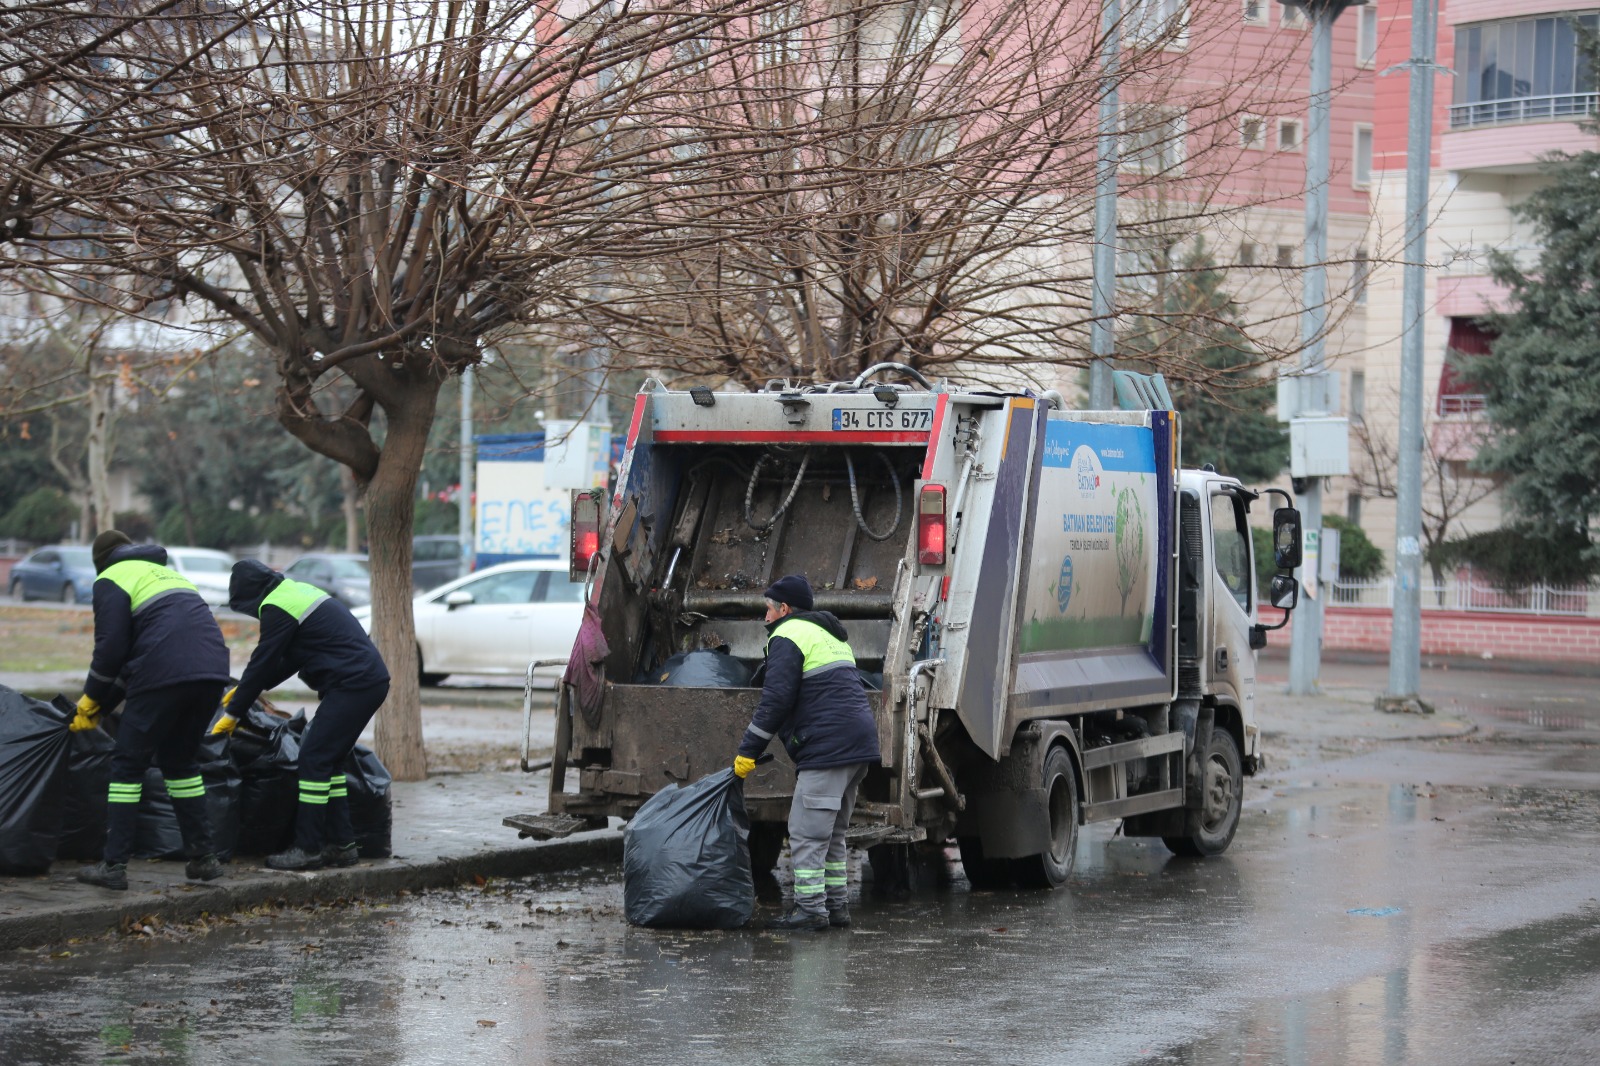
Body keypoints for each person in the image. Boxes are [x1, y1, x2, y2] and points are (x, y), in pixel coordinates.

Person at [74, 531, 231, 891]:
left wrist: (89, 697)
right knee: (181, 764)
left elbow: (112, 649)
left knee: (128, 765)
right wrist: (101, 704)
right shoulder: (170, 575)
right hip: (211, 673)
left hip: (164, 672)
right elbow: (140, 654)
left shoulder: (111, 578)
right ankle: (204, 859)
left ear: (101, 562)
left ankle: (113, 866)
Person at [218, 559, 390, 870]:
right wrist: (247, 688)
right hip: (364, 681)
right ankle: (342, 845)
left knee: (312, 757)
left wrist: (233, 711)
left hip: (354, 684)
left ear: (251, 595)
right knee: (329, 761)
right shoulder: (296, 593)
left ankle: (308, 848)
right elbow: (290, 658)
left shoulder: (277, 605)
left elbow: (264, 660)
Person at [733, 574, 880, 931]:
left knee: (805, 830)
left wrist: (748, 752)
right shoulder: (829, 635)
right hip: (857, 746)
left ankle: (811, 911)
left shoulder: (787, 634)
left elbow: (776, 701)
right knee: (831, 833)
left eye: (768, 610)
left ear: (784, 609)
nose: (765, 619)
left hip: (829, 748)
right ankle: (835, 906)